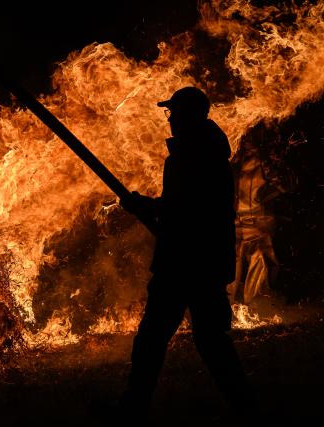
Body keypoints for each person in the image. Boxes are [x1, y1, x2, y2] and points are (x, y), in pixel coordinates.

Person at [118, 87, 254, 417]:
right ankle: (245, 408)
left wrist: (146, 207)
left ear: (190, 116)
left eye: (175, 112)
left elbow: (189, 207)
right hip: (193, 259)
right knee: (180, 338)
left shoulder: (197, 155)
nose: (171, 119)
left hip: (190, 262)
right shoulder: (196, 152)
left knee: (186, 340)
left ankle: (246, 409)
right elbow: (182, 205)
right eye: (171, 113)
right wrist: (150, 208)